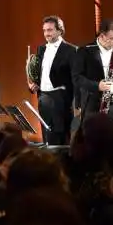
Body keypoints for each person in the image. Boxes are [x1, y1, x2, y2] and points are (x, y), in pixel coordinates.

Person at [72, 19, 113, 133]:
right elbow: (77, 78)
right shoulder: (85, 51)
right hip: (93, 103)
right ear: (102, 36)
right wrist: (97, 86)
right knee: (93, 137)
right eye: (111, 38)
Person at [27, 15, 77, 145]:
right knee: (46, 139)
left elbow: (75, 79)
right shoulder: (41, 49)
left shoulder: (71, 50)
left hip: (60, 101)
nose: (46, 34)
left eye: (49, 30)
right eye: (44, 30)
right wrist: (34, 84)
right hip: (43, 99)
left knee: (60, 141)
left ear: (60, 30)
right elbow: (39, 73)